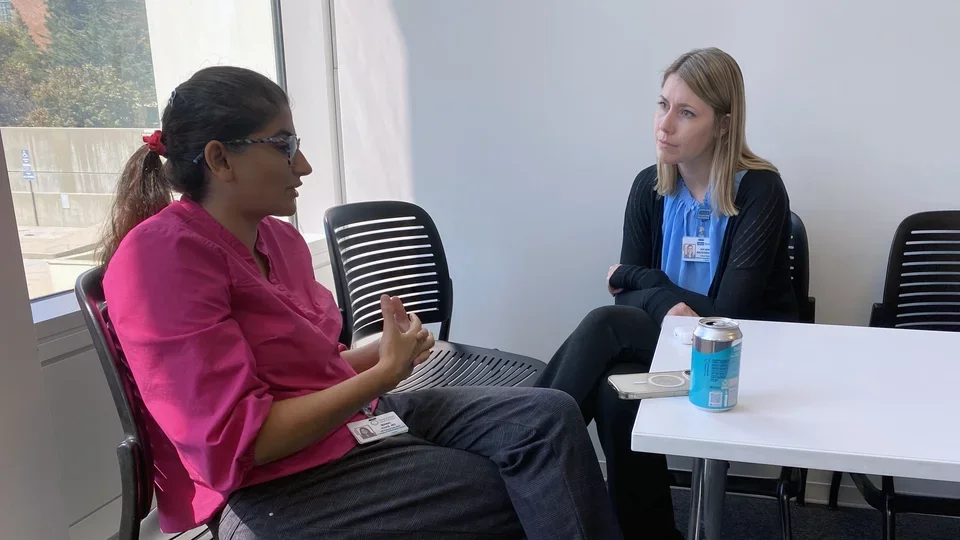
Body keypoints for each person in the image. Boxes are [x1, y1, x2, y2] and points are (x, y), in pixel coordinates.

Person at [101, 66, 622, 540]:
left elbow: (304, 374)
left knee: (549, 420)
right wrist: (383, 373)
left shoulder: (278, 243)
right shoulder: (161, 261)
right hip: (269, 483)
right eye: (283, 145)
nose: (302, 165)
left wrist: (379, 353)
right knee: (516, 484)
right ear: (220, 159)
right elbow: (238, 444)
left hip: (345, 427)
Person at [536, 48, 799, 540]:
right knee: (617, 397)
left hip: (738, 357)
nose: (665, 125)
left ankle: (521, 436)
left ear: (723, 124)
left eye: (686, 112)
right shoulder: (649, 188)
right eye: (663, 105)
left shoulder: (761, 190)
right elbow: (625, 301)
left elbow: (727, 317)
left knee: (604, 324)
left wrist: (644, 283)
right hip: (662, 347)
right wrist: (654, 297)